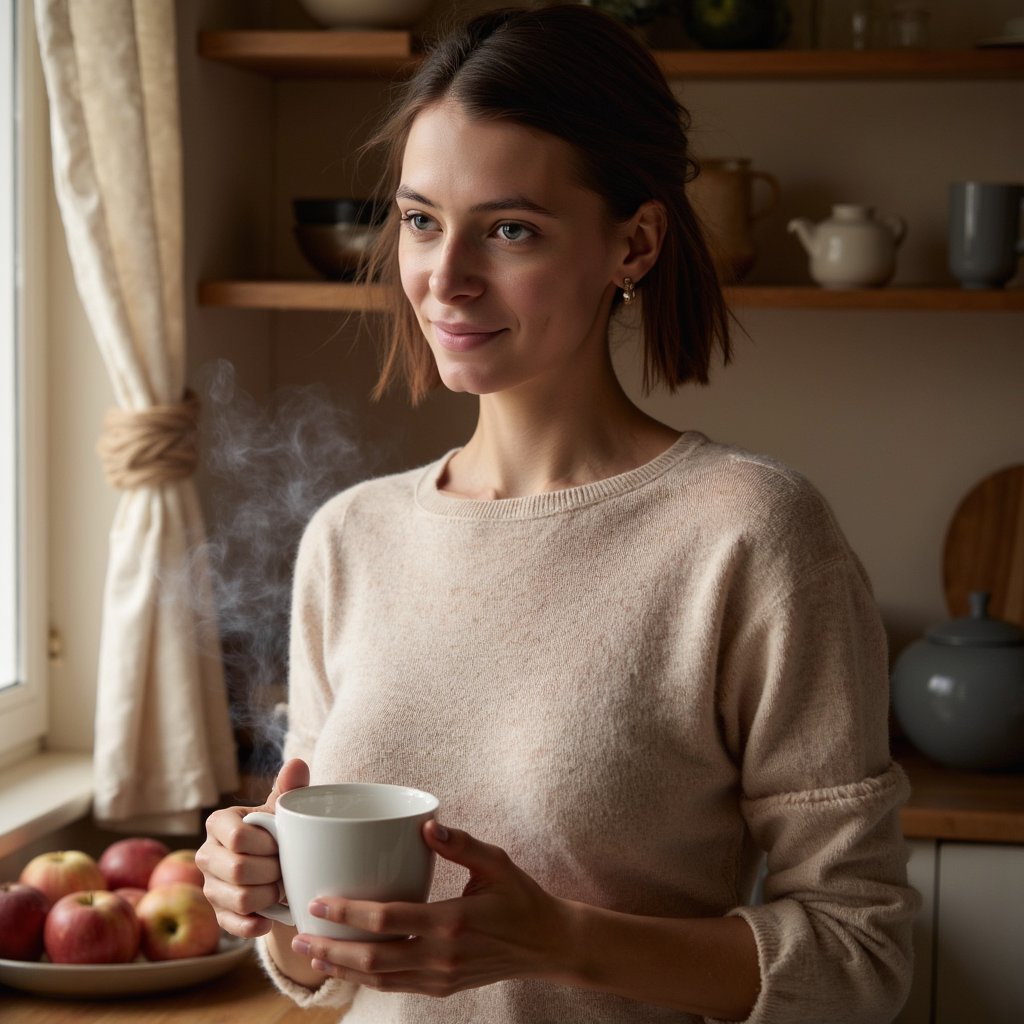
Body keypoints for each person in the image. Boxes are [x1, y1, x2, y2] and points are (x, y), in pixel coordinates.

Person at [197, 6, 918, 1023]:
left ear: (634, 242)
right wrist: (266, 899)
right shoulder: (349, 536)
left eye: (508, 230)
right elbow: (330, 960)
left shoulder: (750, 535)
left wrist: (560, 940)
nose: (443, 279)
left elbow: (862, 956)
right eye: (419, 220)